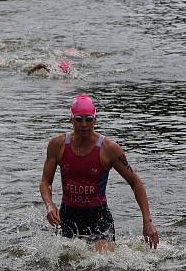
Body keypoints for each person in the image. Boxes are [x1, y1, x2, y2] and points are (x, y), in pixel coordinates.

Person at [40, 94, 159, 252]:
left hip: (98, 217)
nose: (84, 124)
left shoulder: (109, 149)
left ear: (95, 120)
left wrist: (147, 221)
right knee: (65, 269)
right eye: (79, 119)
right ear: (71, 119)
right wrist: (49, 205)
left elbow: (135, 183)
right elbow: (45, 182)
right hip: (68, 216)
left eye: (89, 119)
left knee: (100, 267)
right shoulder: (57, 145)